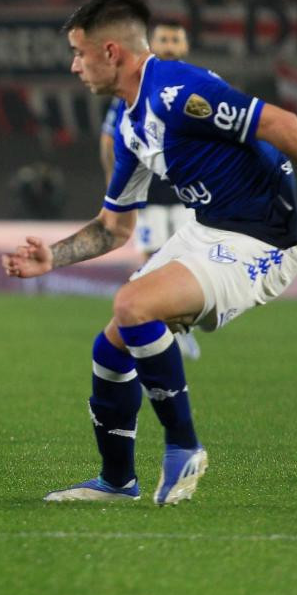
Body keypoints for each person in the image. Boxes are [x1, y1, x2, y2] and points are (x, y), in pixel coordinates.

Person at [2, 0, 297, 506]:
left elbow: (284, 124)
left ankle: (183, 445)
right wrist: (54, 256)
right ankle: (117, 483)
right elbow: (114, 229)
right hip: (206, 228)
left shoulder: (180, 90)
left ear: (111, 51)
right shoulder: (129, 124)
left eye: (78, 52)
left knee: (132, 305)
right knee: (110, 347)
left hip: (262, 240)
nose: (74, 66)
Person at [100, 21, 201, 360]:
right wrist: (115, 184)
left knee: (188, 262)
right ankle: (155, 329)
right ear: (150, 45)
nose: (170, 44)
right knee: (152, 260)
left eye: (176, 38)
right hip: (150, 192)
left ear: (185, 46)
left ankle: (179, 329)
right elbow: (109, 138)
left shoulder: (199, 83)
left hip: (191, 191)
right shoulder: (136, 88)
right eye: (163, 39)